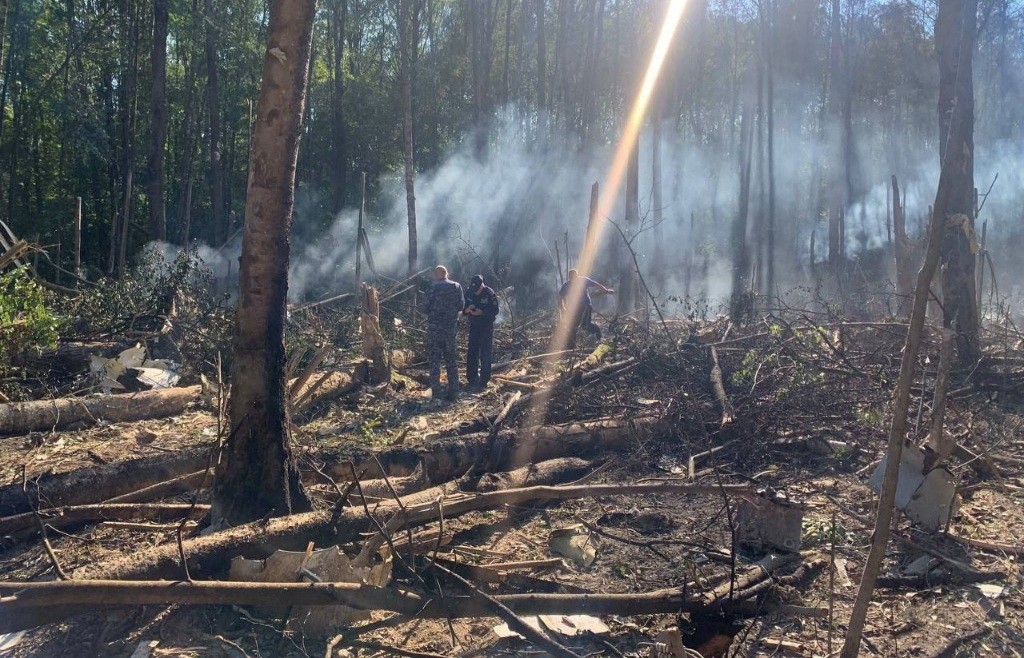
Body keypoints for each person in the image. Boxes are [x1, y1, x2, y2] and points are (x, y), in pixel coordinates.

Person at [422, 265, 464, 401]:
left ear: (436, 274)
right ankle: (454, 393)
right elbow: (461, 306)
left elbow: (424, 308)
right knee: (451, 361)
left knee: (434, 362)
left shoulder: (432, 287)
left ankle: (437, 394)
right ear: (447, 274)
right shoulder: (457, 287)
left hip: (435, 330)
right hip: (450, 330)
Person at [558, 269, 614, 347]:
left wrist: (606, 291)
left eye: (574, 277)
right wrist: (562, 308)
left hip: (586, 305)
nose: (573, 279)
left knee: (585, 325)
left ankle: (599, 337)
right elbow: (560, 297)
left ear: (577, 276)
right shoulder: (566, 285)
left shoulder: (583, 280)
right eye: (571, 277)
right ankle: (571, 346)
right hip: (575, 308)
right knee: (573, 325)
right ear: (569, 277)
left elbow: (595, 284)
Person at [463, 274, 499, 390]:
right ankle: (471, 378)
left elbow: (495, 310)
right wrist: (467, 310)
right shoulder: (469, 292)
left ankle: (484, 380)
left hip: (486, 326)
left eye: (477, 289)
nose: (476, 292)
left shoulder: (489, 293)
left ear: (482, 285)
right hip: (474, 325)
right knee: (472, 351)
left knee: (485, 353)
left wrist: (482, 312)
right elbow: (462, 307)